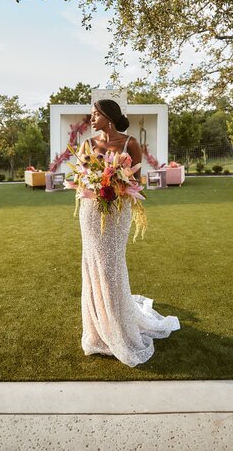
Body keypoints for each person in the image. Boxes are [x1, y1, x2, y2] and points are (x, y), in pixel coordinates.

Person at [77, 98, 180, 368]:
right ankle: (98, 329)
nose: (91, 118)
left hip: (118, 211)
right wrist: (96, 182)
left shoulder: (129, 143)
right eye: (91, 114)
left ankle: (120, 327)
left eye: (95, 114)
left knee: (111, 265)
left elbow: (136, 179)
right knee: (93, 264)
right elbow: (80, 178)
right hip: (91, 210)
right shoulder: (87, 144)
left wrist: (114, 182)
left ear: (108, 116)